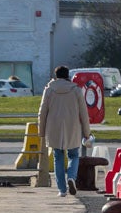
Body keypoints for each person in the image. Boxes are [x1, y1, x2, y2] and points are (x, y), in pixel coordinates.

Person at [37, 65, 92, 197]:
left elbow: (42, 111)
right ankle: (71, 177)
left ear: (56, 76)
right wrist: (86, 132)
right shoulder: (76, 90)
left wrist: (41, 131)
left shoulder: (49, 90)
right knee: (73, 155)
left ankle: (62, 190)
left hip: (54, 127)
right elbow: (83, 113)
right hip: (72, 127)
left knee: (58, 157)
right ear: (68, 75)